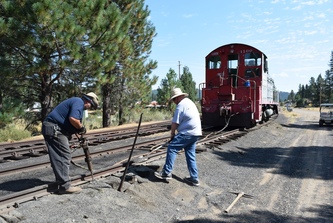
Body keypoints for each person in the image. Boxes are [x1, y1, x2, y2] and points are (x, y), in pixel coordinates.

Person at [42, 92, 99, 194]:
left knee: (60, 156)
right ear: (89, 101)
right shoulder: (79, 102)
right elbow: (73, 119)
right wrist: (81, 127)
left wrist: (78, 133)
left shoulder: (76, 102)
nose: (89, 108)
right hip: (55, 129)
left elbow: (71, 123)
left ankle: (61, 182)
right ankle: (65, 186)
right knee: (63, 155)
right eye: (91, 106)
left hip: (54, 129)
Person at [154, 88, 202, 186]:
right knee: (190, 154)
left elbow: (175, 123)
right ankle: (194, 178)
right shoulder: (189, 102)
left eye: (174, 99)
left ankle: (166, 173)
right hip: (196, 132)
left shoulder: (181, 105)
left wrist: (172, 134)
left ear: (178, 97)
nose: (174, 102)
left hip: (187, 132)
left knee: (172, 148)